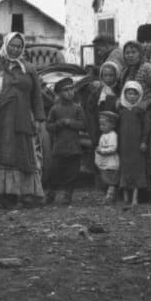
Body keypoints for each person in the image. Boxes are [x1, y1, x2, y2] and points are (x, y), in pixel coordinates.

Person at [0, 32, 46, 208]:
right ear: (6, 45)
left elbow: (36, 96)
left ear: (23, 48)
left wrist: (39, 118)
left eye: (19, 46)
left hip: (20, 117)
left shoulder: (28, 69)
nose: (15, 49)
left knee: (21, 155)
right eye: (12, 45)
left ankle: (21, 194)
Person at [119, 40, 151, 194]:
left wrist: (148, 101)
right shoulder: (126, 72)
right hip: (131, 119)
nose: (130, 55)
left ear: (140, 53)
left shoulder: (147, 68)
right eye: (127, 52)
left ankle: (150, 191)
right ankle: (133, 187)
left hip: (147, 117)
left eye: (134, 52)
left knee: (148, 152)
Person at [44, 77, 85, 207]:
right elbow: (48, 126)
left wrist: (71, 123)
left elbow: (83, 125)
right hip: (59, 147)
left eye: (72, 89)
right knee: (54, 172)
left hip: (74, 147)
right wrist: (58, 124)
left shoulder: (78, 108)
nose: (70, 92)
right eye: (66, 90)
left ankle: (67, 196)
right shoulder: (55, 109)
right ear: (59, 93)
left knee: (72, 173)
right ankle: (50, 194)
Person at [117, 81, 150, 207]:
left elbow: (146, 127)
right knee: (125, 169)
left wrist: (144, 142)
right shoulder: (121, 109)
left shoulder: (140, 110)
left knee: (137, 169)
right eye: (129, 93)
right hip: (124, 144)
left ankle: (135, 198)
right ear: (124, 94)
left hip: (137, 144)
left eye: (135, 94)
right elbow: (117, 127)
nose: (132, 96)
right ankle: (126, 196)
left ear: (139, 95)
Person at [86, 60, 121, 149]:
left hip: (116, 131)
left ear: (116, 75)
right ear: (101, 76)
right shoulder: (96, 94)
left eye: (111, 75)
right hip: (99, 131)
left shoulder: (120, 92)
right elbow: (91, 115)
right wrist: (94, 135)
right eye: (105, 75)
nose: (108, 78)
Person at [94, 111, 121, 203]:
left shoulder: (113, 135)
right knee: (105, 179)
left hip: (111, 162)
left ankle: (110, 197)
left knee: (111, 180)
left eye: (104, 125)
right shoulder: (104, 135)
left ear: (112, 125)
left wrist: (102, 151)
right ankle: (108, 196)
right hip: (105, 162)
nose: (101, 127)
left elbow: (113, 148)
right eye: (100, 125)